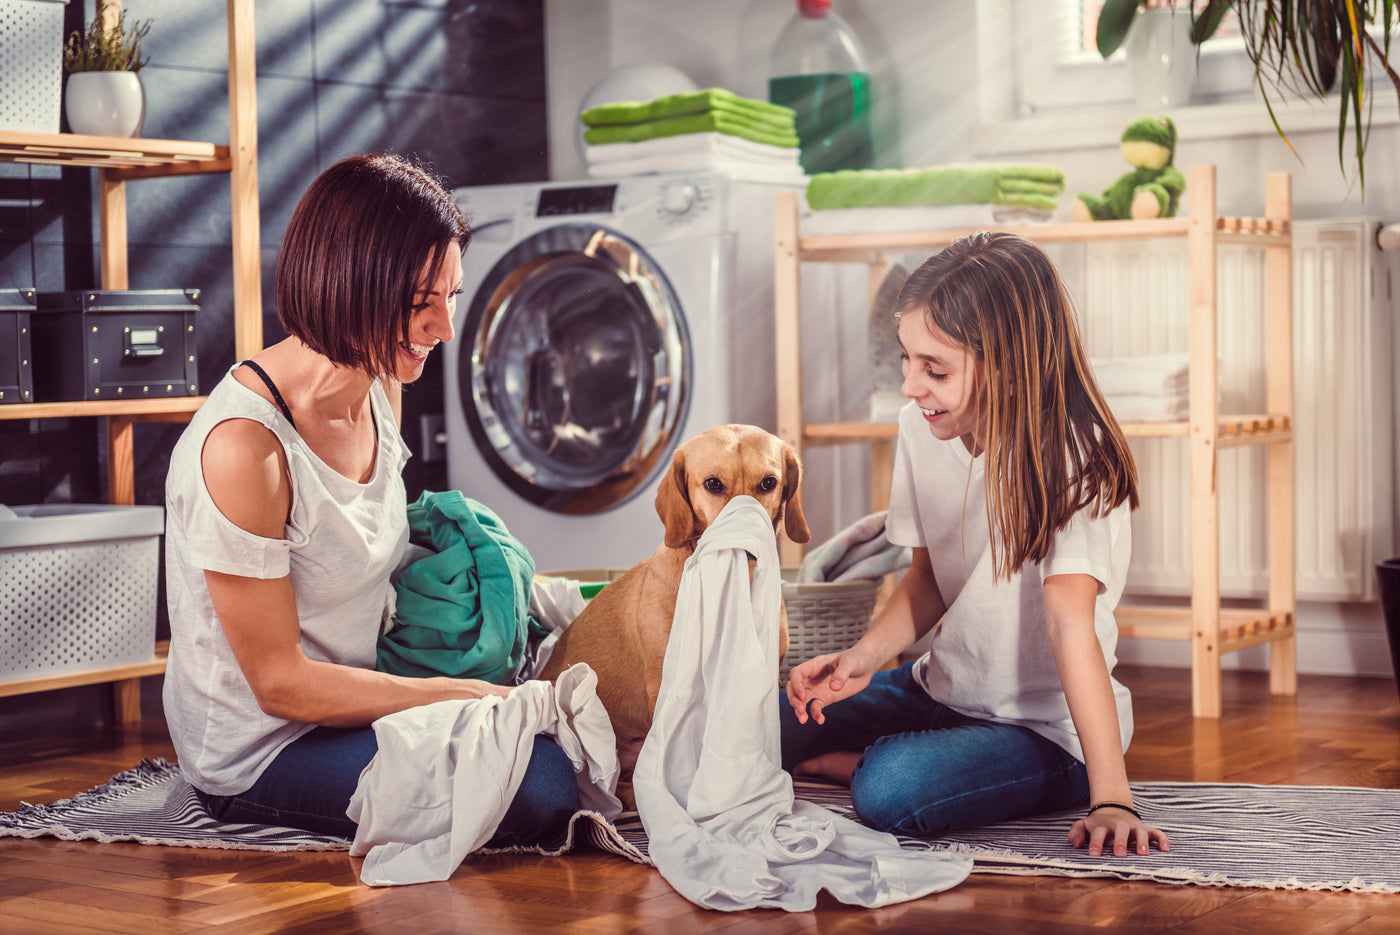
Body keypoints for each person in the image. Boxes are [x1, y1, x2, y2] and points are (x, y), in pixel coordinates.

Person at [162, 153, 578, 843]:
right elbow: (280, 685)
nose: (444, 328)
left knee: (575, 721)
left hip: (360, 701)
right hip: (265, 750)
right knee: (537, 786)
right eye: (422, 303)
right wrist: (467, 693)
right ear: (347, 283)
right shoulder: (247, 449)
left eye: (452, 297)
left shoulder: (380, 386)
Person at [781, 231, 1170, 859]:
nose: (912, 385)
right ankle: (877, 753)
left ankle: (866, 764)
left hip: (1043, 730)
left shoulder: (1075, 455)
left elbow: (1072, 630)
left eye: (936, 370)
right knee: (765, 723)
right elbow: (931, 579)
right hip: (941, 688)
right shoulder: (920, 426)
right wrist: (861, 659)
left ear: (1009, 366)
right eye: (906, 360)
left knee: (892, 788)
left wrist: (1113, 798)